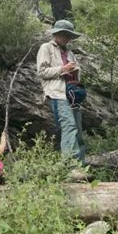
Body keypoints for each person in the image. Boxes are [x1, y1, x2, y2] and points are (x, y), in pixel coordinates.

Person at [37, 19, 86, 163]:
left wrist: (75, 71)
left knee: (78, 128)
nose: (66, 38)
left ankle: (81, 165)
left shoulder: (69, 53)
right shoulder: (46, 48)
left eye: (69, 35)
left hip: (73, 94)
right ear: (56, 34)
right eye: (64, 34)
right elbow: (42, 72)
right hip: (57, 94)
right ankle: (71, 166)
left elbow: (76, 72)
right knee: (69, 126)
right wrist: (62, 69)